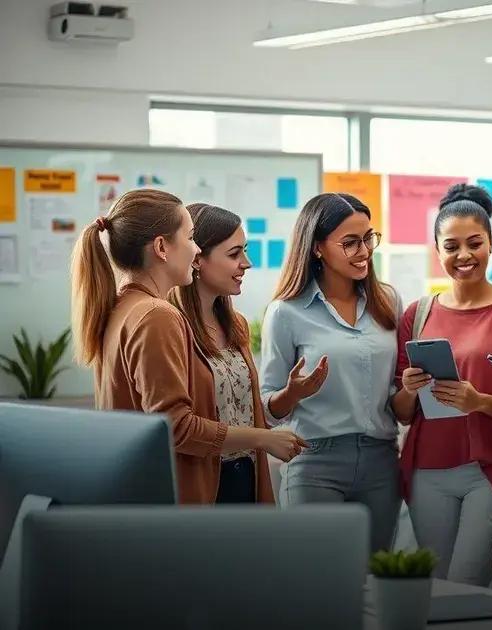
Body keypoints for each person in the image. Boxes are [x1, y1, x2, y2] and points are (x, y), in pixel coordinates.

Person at [71, 189, 306, 504]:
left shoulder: (123, 307)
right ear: (162, 247)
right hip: (185, 490)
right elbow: (176, 426)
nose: (194, 250)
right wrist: (263, 438)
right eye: (191, 237)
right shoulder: (156, 315)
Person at [391, 184, 492, 586]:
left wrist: (478, 401)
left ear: (491, 244)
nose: (464, 255)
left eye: (474, 243)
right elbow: (401, 412)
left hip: (487, 470)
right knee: (434, 583)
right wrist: (409, 387)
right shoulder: (418, 314)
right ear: (438, 250)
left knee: (468, 582)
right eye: (451, 246)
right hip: (427, 468)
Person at [260, 192, 402, 553]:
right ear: (317, 248)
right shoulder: (286, 312)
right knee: (317, 582)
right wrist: (293, 393)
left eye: (368, 238)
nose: (365, 251)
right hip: (315, 462)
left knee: (375, 578)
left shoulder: (388, 301)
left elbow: (397, 388)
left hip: (381, 461)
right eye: (350, 243)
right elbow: (266, 408)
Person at [168, 203, 277, 503]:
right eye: (234, 254)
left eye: (245, 251)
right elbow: (178, 427)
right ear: (197, 259)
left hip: (247, 476)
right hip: (203, 482)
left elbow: (245, 411)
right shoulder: (169, 327)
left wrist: (291, 395)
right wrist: (263, 438)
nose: (247, 263)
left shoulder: (236, 325)